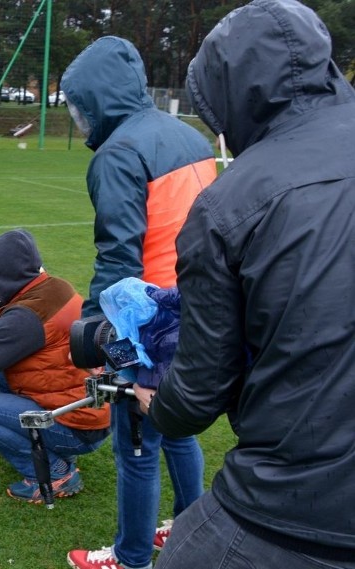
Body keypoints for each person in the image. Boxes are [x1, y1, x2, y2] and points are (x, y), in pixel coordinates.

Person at [140, 1, 355, 566]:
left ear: (233, 95)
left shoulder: (231, 203)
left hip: (296, 505)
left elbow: (198, 392)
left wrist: (152, 403)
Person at [59, 36, 218, 569]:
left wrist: (97, 332)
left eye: (81, 106)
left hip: (147, 322)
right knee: (175, 428)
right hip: (196, 309)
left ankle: (131, 558)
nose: (81, 120)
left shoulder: (121, 152)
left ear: (98, 99)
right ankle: (190, 529)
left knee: (137, 448)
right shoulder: (189, 135)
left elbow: (118, 256)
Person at [0, 229, 110, 503]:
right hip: (91, 410)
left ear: (7, 273)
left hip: (81, 427)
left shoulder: (25, 317)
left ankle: (54, 473)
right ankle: (57, 450)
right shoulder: (55, 286)